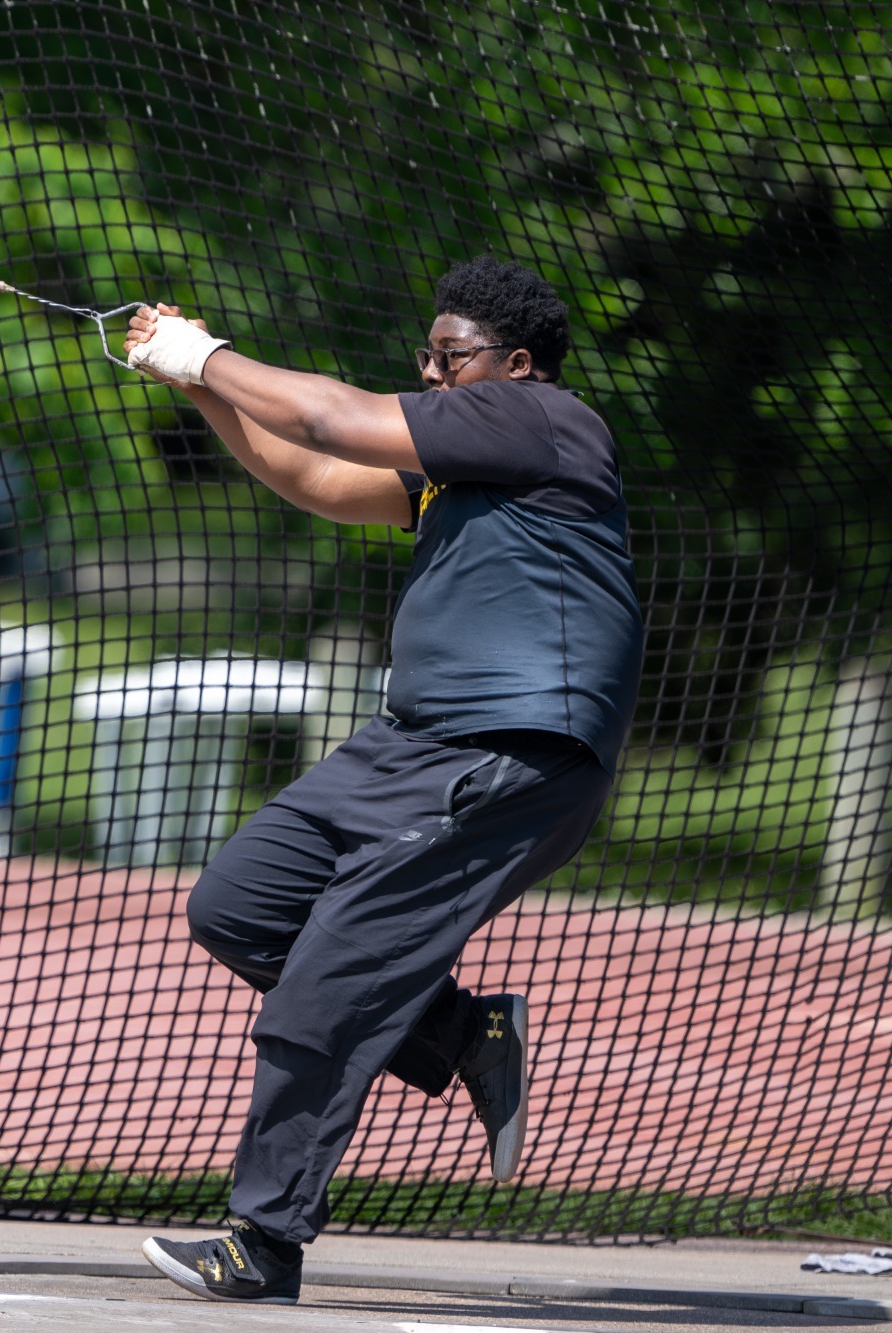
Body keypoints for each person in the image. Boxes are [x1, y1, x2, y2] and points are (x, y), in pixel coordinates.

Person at [122, 256, 644, 1306]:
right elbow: (316, 478)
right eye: (427, 357)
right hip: (410, 745)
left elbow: (331, 416)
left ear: (516, 364)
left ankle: (264, 1242)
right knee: (240, 904)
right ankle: (462, 1032)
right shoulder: (471, 456)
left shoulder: (540, 419)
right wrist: (197, 385)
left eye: (450, 358)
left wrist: (207, 352)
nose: (431, 375)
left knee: (329, 979)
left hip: (510, 749)